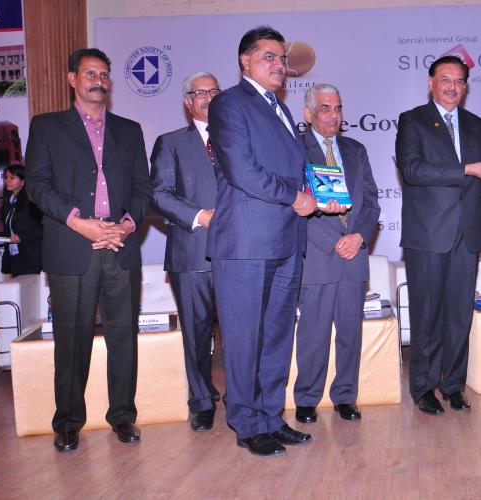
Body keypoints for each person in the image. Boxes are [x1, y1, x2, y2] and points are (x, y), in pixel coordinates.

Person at [207, 26, 341, 458]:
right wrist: (297, 196)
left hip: (287, 240)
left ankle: (269, 416)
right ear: (245, 60)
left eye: (282, 58)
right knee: (245, 338)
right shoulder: (229, 103)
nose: (280, 65)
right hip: (246, 242)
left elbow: (294, 168)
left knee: (277, 336)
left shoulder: (281, 108)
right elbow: (242, 170)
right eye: (269, 56)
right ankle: (246, 423)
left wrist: (320, 197)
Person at [26, 48, 152, 452]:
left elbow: (142, 188)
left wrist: (127, 225)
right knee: (71, 338)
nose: (100, 80)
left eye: (104, 73)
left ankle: (122, 416)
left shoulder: (129, 130)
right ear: (72, 80)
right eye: (91, 73)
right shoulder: (46, 127)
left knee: (123, 338)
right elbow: (38, 185)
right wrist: (80, 222)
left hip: (120, 247)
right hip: (71, 246)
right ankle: (67, 421)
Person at [395, 55, 481, 415]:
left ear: (466, 86)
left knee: (459, 315)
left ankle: (453, 384)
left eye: (459, 81)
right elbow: (412, 170)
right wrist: (466, 169)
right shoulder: (413, 121)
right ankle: (424, 386)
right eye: (445, 79)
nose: (452, 87)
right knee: (426, 315)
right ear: (430, 82)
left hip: (467, 234)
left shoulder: (475, 124)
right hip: (428, 234)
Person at [294, 83, 380, 423]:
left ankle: (346, 395)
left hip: (354, 255)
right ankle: (307, 399)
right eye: (326, 108)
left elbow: (371, 202)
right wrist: (333, 241)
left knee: (350, 332)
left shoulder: (355, 149)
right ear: (308, 114)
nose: (333, 115)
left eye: (338, 108)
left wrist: (359, 236)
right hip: (318, 255)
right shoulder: (293, 149)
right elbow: (293, 204)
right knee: (313, 334)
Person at [150, 71, 222, 432]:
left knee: (243, 332)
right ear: (187, 101)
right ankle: (203, 400)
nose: (208, 98)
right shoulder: (171, 142)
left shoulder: (239, 140)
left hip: (238, 254)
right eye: (200, 93)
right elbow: (159, 194)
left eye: (214, 91)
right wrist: (199, 216)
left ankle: (242, 396)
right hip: (191, 253)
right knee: (195, 334)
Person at [0, 163, 43, 277]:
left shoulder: (31, 202)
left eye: (12, 177)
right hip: (15, 257)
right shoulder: (8, 203)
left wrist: (21, 237)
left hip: (31, 257)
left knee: (30, 294)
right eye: (6, 177)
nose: (7, 181)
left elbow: (41, 228)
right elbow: (9, 230)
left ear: (23, 181)